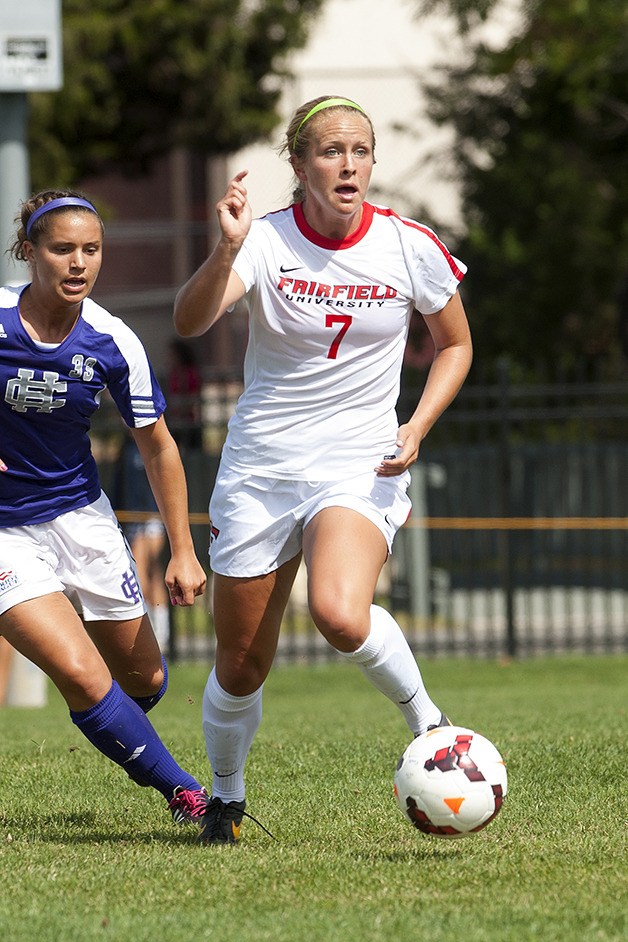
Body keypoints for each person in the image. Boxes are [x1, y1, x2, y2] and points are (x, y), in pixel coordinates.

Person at [173, 96, 473, 844]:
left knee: (340, 613)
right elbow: (190, 321)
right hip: (261, 469)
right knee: (241, 664)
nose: (348, 165)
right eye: (331, 151)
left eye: (360, 151)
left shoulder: (407, 244)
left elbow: (456, 344)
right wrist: (225, 250)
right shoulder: (263, 240)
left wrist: (416, 426)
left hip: (358, 463)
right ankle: (226, 798)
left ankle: (432, 728)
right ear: (299, 164)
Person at [0, 190, 209, 828]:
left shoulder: (113, 339)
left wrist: (182, 550)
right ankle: (190, 796)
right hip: (5, 531)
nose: (78, 263)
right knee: (80, 672)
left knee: (144, 681)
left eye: (91, 250)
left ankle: (115, 725)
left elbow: (159, 446)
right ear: (29, 251)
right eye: (62, 249)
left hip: (82, 518)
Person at [115, 435, 169, 649]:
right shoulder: (126, 448)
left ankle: (159, 633)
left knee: (149, 572)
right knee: (144, 574)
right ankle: (155, 632)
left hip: (152, 517)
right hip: (133, 519)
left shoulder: (151, 443)